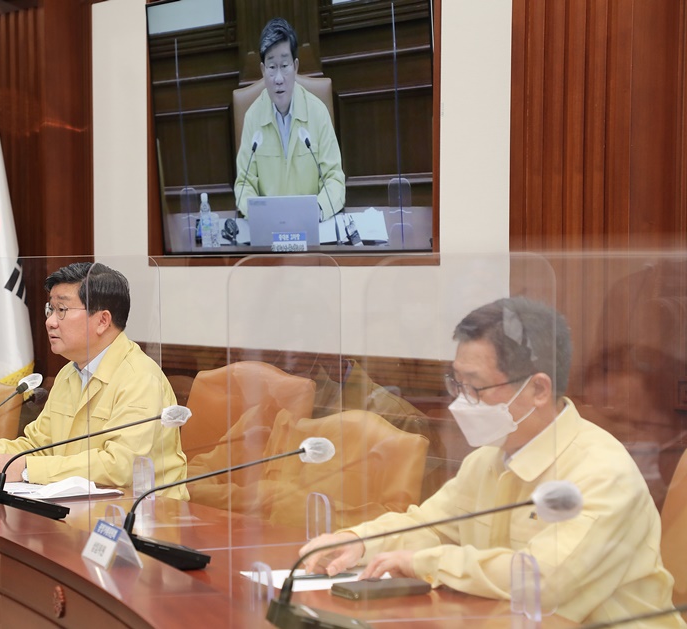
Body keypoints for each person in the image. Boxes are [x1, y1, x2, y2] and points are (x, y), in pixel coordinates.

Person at [299, 297, 684, 627]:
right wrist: (357, 541)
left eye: (474, 386)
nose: (459, 401)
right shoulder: (489, 458)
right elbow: (431, 526)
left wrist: (424, 562)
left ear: (537, 389)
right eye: (456, 383)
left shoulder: (601, 472)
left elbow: (540, 581)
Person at [0, 262, 189, 499]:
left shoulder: (140, 379)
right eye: (50, 309)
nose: (50, 321)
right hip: (80, 506)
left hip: (144, 518)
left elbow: (121, 467)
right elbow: (37, 444)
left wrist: (26, 468)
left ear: (103, 321)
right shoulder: (69, 373)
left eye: (62, 310)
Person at [234, 17, 346, 221]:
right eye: (271, 67)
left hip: (312, 226)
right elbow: (244, 184)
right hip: (268, 231)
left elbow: (334, 179)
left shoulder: (317, 112)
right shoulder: (253, 117)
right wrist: (257, 215)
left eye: (284, 65)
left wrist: (318, 211)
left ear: (295, 67)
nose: (278, 78)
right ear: (262, 70)